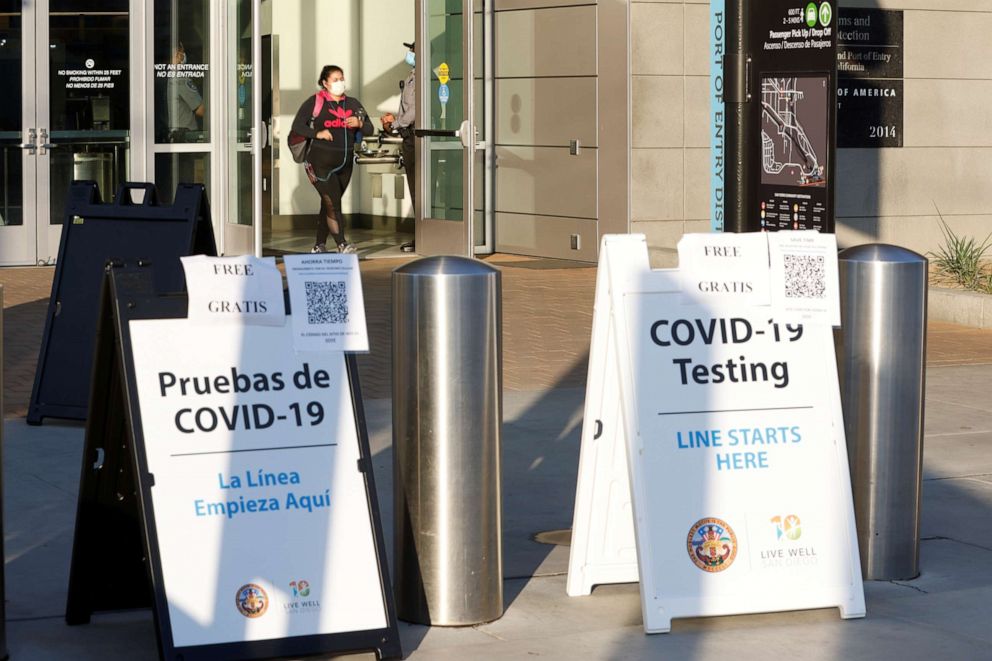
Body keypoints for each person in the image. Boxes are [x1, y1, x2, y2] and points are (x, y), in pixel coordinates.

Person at [292, 64, 373, 254]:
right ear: (325, 83)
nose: (340, 83)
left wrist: (359, 123)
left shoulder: (352, 103)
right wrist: (317, 133)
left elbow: (370, 128)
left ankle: (319, 244)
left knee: (328, 203)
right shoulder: (315, 102)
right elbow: (297, 126)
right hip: (319, 162)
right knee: (333, 203)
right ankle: (342, 244)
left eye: (342, 78)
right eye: (335, 80)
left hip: (344, 164)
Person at [381, 41, 416, 252]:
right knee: (415, 187)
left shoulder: (422, 78)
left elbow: (414, 110)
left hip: (415, 137)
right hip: (409, 137)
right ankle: (421, 234)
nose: (409, 53)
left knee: (419, 188)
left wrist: (394, 124)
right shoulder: (413, 75)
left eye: (412, 50)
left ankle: (424, 235)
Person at [166, 42, 205, 142]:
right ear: (178, 55)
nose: (183, 56)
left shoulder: (161, 77)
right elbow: (201, 110)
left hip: (170, 134)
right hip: (183, 135)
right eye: (183, 53)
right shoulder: (180, 79)